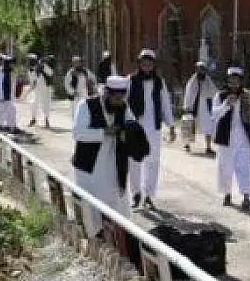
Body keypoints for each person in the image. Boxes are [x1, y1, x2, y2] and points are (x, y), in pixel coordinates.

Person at [72, 75, 138, 239]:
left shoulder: (124, 107)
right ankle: (94, 238)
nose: (119, 101)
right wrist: (104, 132)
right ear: (107, 93)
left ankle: (117, 240)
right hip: (90, 166)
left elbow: (133, 126)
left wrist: (129, 134)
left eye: (122, 97)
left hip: (113, 164)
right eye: (116, 98)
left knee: (116, 205)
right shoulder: (86, 105)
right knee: (92, 207)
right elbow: (78, 133)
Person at [125, 49, 175, 209]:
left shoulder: (159, 82)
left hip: (153, 127)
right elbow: (124, 102)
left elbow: (165, 103)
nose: (147, 65)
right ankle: (135, 193)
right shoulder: (131, 80)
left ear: (154, 65)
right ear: (139, 63)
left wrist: (171, 125)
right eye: (144, 62)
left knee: (152, 161)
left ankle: (148, 195)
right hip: (135, 127)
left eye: (150, 63)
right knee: (134, 160)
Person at [212, 67, 250, 210]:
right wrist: (226, 105)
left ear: (240, 82)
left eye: (236, 81)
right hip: (225, 137)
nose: (233, 84)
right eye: (231, 80)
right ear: (227, 81)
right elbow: (214, 114)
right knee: (225, 167)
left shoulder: (247, 95)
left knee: (244, 167)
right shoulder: (220, 96)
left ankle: (246, 197)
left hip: (243, 137)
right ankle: (227, 195)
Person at [182, 60, 218, 154]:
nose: (200, 71)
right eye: (199, 69)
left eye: (202, 69)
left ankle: (208, 147)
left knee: (208, 126)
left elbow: (214, 92)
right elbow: (188, 94)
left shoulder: (208, 80)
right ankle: (187, 144)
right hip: (192, 106)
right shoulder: (192, 81)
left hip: (204, 107)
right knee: (189, 124)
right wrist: (187, 106)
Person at [27, 53, 55, 129]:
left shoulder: (43, 65)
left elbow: (51, 73)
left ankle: (46, 120)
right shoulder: (31, 69)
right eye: (30, 60)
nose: (30, 61)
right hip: (37, 88)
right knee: (33, 103)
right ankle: (33, 119)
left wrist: (42, 68)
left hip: (45, 87)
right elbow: (32, 80)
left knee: (45, 104)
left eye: (31, 60)